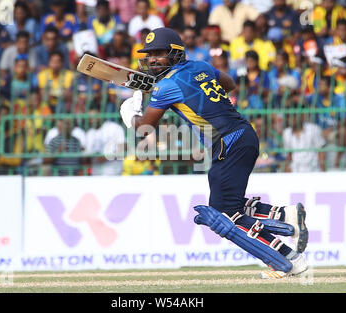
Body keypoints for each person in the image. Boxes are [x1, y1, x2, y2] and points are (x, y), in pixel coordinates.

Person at [119, 27, 308, 279]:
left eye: (159, 53)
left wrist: (130, 114)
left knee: (222, 215)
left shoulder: (166, 87)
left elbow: (145, 127)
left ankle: (287, 260)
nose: (152, 59)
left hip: (229, 143)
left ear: (175, 54)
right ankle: (286, 216)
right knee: (226, 205)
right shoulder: (200, 66)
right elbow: (229, 83)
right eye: (149, 54)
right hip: (243, 135)